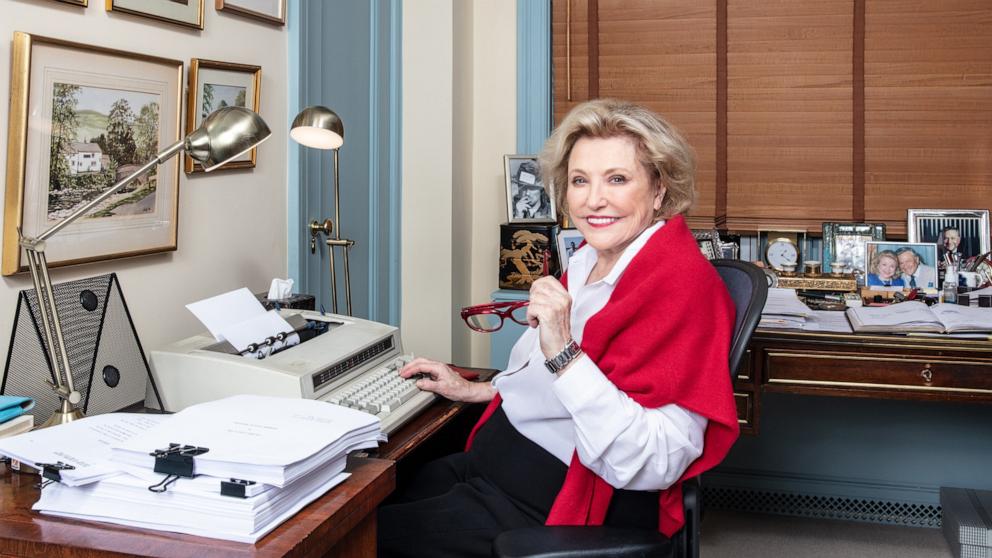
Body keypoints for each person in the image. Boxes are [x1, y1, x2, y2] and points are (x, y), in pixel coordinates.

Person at [377, 99, 739, 557]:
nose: (593, 200)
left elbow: (657, 462)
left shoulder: (683, 287)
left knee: (358, 538)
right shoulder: (590, 258)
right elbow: (549, 383)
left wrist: (564, 350)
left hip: (547, 498)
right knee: (378, 490)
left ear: (659, 190)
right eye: (579, 181)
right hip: (494, 460)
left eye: (618, 179)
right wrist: (480, 391)